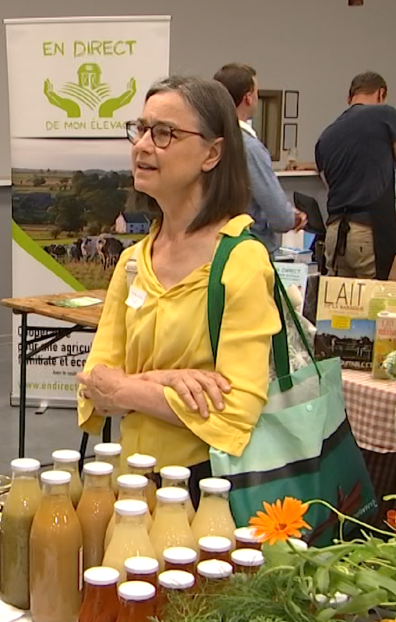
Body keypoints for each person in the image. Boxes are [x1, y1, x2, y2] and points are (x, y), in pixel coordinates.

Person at [76, 76, 279, 488]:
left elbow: (236, 410)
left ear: (212, 153)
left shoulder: (240, 261)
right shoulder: (134, 261)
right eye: (141, 129)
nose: (143, 145)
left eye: (165, 133)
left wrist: (127, 389)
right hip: (130, 482)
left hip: (207, 490)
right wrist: (167, 379)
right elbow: (93, 383)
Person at [315, 72, 396, 279]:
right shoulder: (385, 114)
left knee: (339, 310)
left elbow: (329, 186)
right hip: (370, 233)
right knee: (376, 307)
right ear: (381, 94)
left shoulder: (325, 137)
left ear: (349, 98)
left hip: (335, 236)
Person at [213, 63, 305, 252]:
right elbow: (280, 218)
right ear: (248, 98)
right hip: (249, 249)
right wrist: (291, 217)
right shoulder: (249, 148)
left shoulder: (205, 141)